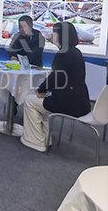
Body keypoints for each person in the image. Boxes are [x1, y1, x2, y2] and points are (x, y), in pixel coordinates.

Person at [20, 22, 90, 152]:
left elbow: (55, 77)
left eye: (54, 32)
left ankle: (36, 140)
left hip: (68, 103)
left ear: (61, 35)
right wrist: (45, 91)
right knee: (40, 102)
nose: (51, 34)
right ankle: (45, 138)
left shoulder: (64, 54)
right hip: (80, 102)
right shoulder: (75, 52)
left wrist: (41, 90)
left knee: (29, 100)